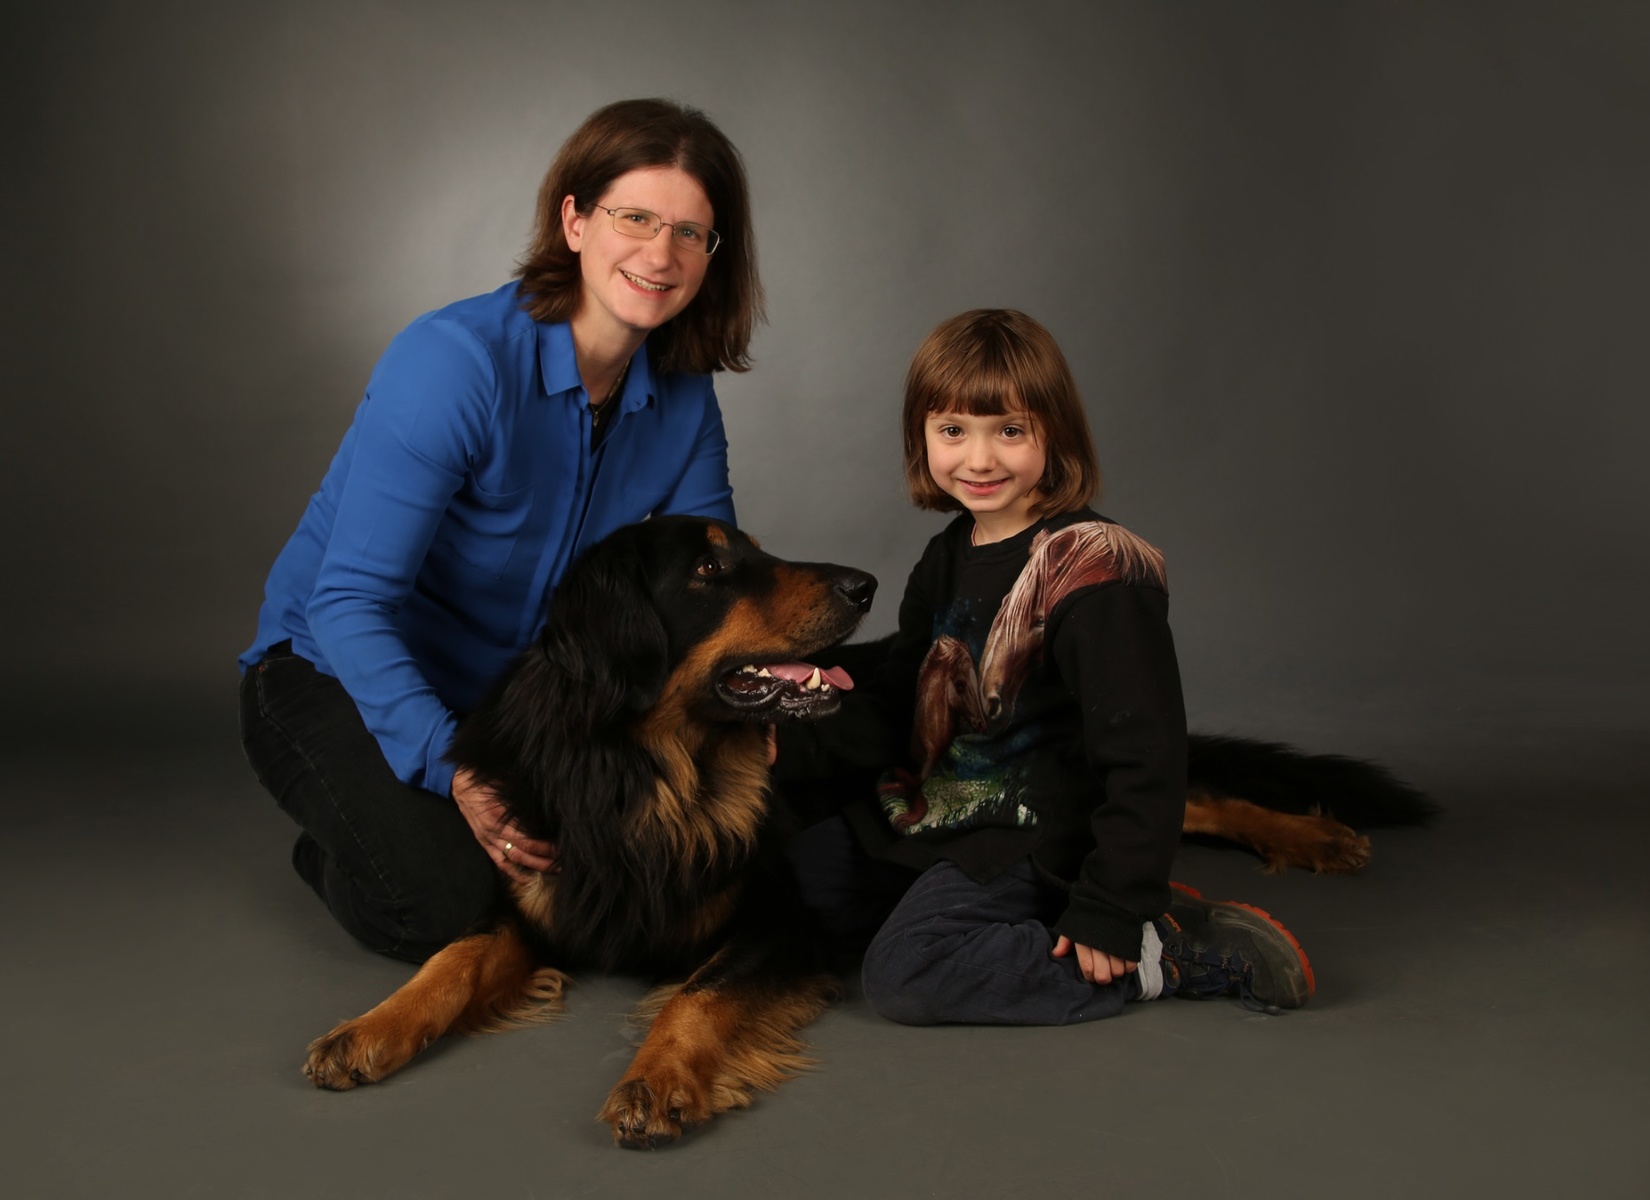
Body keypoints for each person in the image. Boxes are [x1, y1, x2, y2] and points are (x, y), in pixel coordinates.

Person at [238, 98, 762, 963]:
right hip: (328, 671)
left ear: (714, 254)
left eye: (691, 233)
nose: (660, 255)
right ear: (575, 220)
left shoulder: (685, 391)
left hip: (510, 698)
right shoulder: (454, 364)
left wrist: (748, 685)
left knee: (611, 875)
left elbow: (716, 579)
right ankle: (339, 835)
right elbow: (348, 603)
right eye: (635, 218)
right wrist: (456, 769)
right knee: (451, 906)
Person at [775, 309, 1314, 1023]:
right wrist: (792, 739)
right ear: (922, 438)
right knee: (774, 897)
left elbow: (1147, 759)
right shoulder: (948, 553)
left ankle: (1156, 952)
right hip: (937, 814)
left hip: (1031, 835)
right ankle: (1058, 920)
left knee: (906, 973)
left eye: (1010, 430)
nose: (980, 459)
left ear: (1053, 432)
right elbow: (902, 698)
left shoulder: (1100, 572)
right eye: (953, 431)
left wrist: (1113, 905)